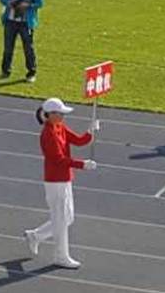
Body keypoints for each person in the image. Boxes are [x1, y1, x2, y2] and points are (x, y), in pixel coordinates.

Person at [24, 98, 98, 269]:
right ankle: (61, 256)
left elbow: (78, 140)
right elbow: (58, 159)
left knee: (66, 218)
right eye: (61, 113)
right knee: (61, 220)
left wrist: (90, 131)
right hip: (55, 181)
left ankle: (35, 236)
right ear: (51, 115)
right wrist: (82, 164)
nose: (63, 116)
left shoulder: (59, 127)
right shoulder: (48, 134)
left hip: (64, 178)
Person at [0, 0, 44, 82]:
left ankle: (31, 73)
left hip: (25, 23)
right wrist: (9, 3)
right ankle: (5, 71)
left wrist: (28, 5)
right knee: (8, 47)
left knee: (28, 48)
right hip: (10, 21)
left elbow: (40, 3)